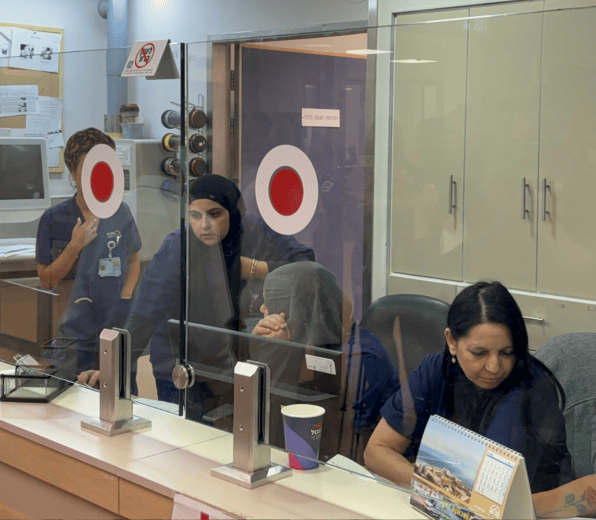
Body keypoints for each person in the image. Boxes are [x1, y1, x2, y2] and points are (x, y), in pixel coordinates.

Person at [118, 174, 315, 407]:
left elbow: (306, 265)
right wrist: (113, 370)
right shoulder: (178, 248)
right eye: (195, 216)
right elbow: (143, 316)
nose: (204, 225)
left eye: (214, 214)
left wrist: (256, 268)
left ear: (233, 212)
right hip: (181, 367)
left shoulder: (253, 231)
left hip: (235, 364)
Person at [364, 281, 574, 494]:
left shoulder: (530, 388)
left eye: (507, 352)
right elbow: (376, 450)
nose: (494, 367)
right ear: (451, 341)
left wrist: (430, 483)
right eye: (479, 353)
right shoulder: (435, 369)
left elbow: (486, 491)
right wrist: (430, 484)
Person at [252, 261, 399, 463]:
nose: (262, 308)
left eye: (271, 302)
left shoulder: (360, 357)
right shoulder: (305, 343)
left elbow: (317, 437)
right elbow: (256, 421)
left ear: (301, 311)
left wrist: (285, 354)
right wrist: (269, 353)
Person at [35, 128, 141, 376]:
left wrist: (125, 296)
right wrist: (74, 247)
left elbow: (134, 259)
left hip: (117, 327)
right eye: (90, 169)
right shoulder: (54, 218)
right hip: (75, 334)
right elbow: (47, 279)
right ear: (73, 174)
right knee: (71, 397)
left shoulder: (121, 213)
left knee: (120, 395)